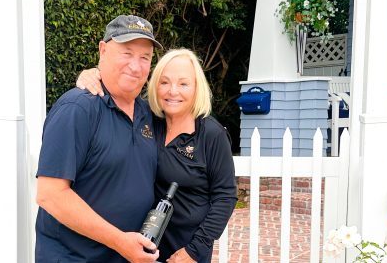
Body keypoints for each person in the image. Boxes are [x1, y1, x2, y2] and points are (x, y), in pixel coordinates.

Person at [78, 48, 237, 263]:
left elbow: (225, 196)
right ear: (155, 85)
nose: (173, 91)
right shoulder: (146, 119)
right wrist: (91, 75)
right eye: (164, 82)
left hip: (185, 251)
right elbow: (117, 92)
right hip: (140, 247)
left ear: (197, 88)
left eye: (183, 84)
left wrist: (195, 250)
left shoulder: (211, 134)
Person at [35, 15, 163, 263]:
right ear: (103, 51)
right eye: (127, 53)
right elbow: (50, 194)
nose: (135, 66)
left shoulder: (148, 113)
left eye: (145, 57)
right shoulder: (77, 109)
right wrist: (120, 241)